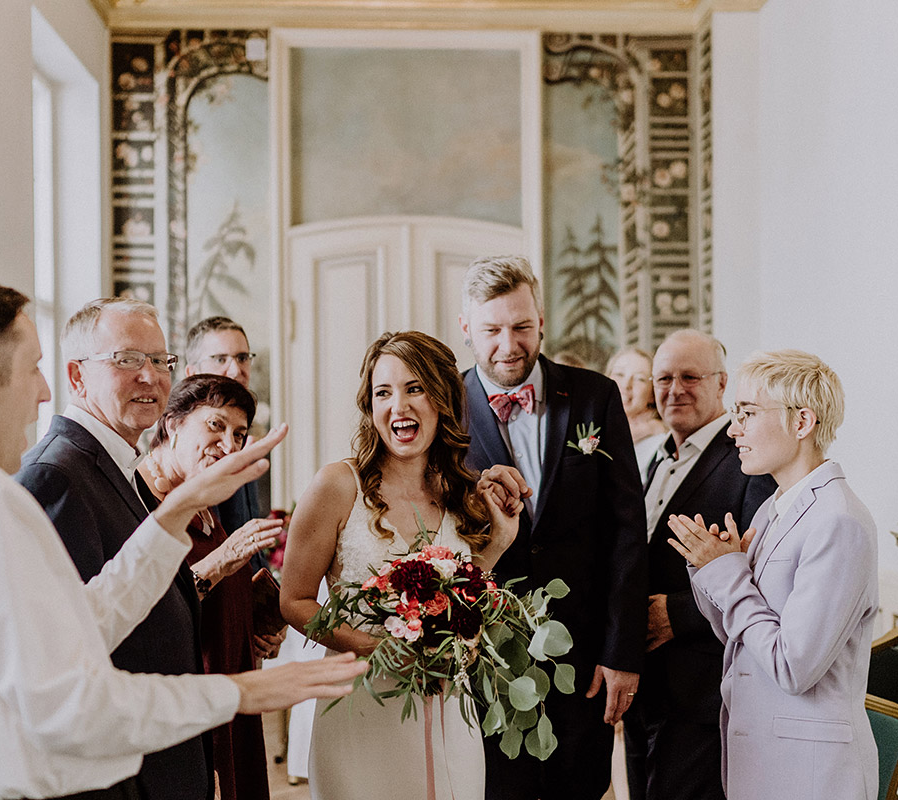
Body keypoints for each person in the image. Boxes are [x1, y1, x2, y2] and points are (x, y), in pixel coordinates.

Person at [0, 280, 366, 800]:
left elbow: (75, 625)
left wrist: (172, 514)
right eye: (33, 368)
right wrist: (236, 692)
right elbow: (68, 706)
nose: (43, 391)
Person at [16, 297, 245, 800]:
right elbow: (77, 654)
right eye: (127, 360)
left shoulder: (118, 463)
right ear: (77, 377)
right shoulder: (56, 475)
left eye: (160, 361)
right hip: (124, 775)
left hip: (164, 755)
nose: (151, 377)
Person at [279, 330, 523, 800]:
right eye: (383, 392)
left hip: (449, 708)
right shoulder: (337, 485)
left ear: (443, 399)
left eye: (415, 388)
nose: (399, 406)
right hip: (360, 706)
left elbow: (467, 601)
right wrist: (375, 648)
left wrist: (498, 544)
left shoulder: (462, 493)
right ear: (370, 406)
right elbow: (294, 601)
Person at [457, 255, 647, 800]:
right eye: (492, 330)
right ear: (467, 329)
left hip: (583, 656)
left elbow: (626, 532)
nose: (508, 344)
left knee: (581, 787)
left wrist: (620, 652)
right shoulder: (443, 407)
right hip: (484, 655)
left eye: (521, 326)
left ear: (541, 320)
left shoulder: (595, 397)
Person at [667, 349, 879, 800]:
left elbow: (792, 665)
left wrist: (727, 574)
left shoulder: (838, 521)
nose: (732, 429)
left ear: (802, 423)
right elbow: (741, 641)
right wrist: (708, 566)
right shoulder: (772, 509)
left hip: (811, 772)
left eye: (746, 413)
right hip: (764, 757)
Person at [624, 330, 774, 800]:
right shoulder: (654, 458)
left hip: (701, 688)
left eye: (690, 377)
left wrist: (679, 615)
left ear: (721, 384)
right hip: (643, 683)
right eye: (664, 378)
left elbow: (763, 573)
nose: (675, 389)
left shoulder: (748, 461)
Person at [138, 374, 284, 800]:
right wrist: (221, 561)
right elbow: (151, 608)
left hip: (232, 696)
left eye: (239, 434)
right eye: (215, 426)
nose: (229, 444)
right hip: (188, 705)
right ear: (172, 424)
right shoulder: (140, 503)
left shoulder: (204, 501)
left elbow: (211, 599)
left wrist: (253, 627)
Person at [184, 316, 272, 543]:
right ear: (192, 372)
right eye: (220, 358)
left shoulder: (244, 438)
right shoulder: (190, 446)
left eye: (242, 358)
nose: (235, 370)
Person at [605, 347, 668, 483]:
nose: (626, 385)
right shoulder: (587, 423)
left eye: (639, 379)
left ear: (652, 394)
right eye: (619, 374)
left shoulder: (660, 446)